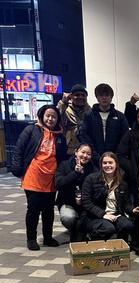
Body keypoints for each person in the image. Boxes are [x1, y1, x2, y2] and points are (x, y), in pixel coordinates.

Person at [11, 104, 68, 251]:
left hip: (51, 177)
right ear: (42, 116)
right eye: (48, 115)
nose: (50, 118)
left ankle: (48, 237)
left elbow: (62, 157)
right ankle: (31, 238)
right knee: (34, 208)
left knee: (48, 210)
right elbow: (19, 149)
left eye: (54, 116)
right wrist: (17, 169)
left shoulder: (60, 135)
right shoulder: (31, 130)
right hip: (33, 175)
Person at [80, 152, 139, 242]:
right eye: (105, 163)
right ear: (101, 165)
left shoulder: (122, 182)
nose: (107, 165)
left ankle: (120, 247)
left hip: (115, 215)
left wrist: (132, 210)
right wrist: (103, 214)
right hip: (94, 216)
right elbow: (86, 202)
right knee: (108, 228)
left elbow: (126, 203)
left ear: (116, 164)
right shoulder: (91, 179)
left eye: (110, 162)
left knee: (128, 225)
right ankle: (93, 241)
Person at [55, 143, 97, 242]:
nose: (85, 156)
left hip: (86, 204)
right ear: (76, 152)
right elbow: (58, 184)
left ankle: (83, 231)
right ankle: (73, 229)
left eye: (88, 154)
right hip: (68, 202)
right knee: (68, 218)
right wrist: (75, 173)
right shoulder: (64, 165)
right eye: (83, 152)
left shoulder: (93, 169)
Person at [78, 83, 129, 164]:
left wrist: (116, 155)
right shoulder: (88, 116)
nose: (104, 98)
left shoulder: (120, 116)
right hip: (93, 158)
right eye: (101, 95)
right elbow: (84, 136)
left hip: (115, 158)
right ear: (97, 97)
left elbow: (125, 137)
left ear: (111, 97)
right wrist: (94, 155)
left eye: (107, 95)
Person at [57, 84, 91, 155]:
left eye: (83, 95)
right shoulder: (65, 109)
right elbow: (57, 117)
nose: (80, 97)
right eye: (77, 95)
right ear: (71, 96)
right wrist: (63, 102)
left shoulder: (90, 110)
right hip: (70, 150)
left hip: (86, 150)